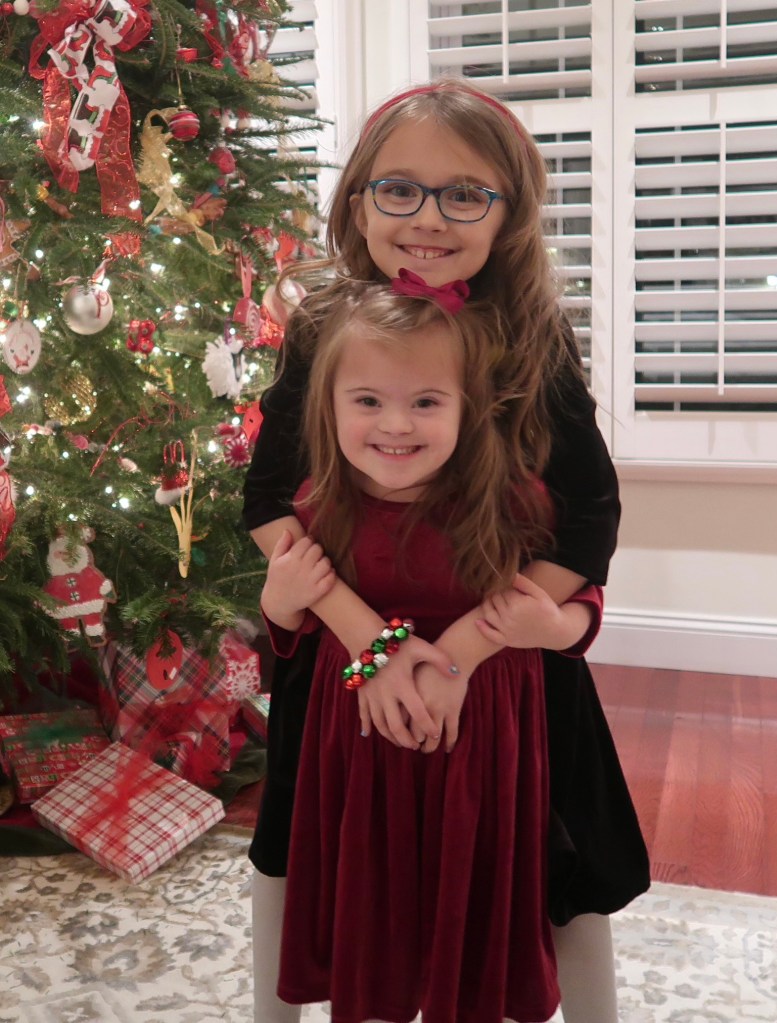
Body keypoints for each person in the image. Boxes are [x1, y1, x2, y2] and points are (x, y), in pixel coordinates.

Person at [244, 79, 650, 1023]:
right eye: (399, 188)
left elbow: (588, 516)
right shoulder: (319, 326)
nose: (427, 218)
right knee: (299, 844)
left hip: (507, 665)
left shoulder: (533, 336)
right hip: (346, 658)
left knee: (563, 863)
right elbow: (266, 498)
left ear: (509, 213)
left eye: (464, 193)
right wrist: (372, 645)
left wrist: (462, 652)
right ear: (358, 200)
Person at [261, 284, 606, 1023]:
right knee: (374, 907)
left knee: (471, 903)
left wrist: (543, 629)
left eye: (425, 402)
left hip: (482, 749)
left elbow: (573, 613)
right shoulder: (317, 507)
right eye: (367, 401)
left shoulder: (515, 505)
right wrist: (281, 599)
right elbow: (294, 629)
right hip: (359, 749)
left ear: (468, 408)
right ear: (327, 407)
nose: (395, 425)